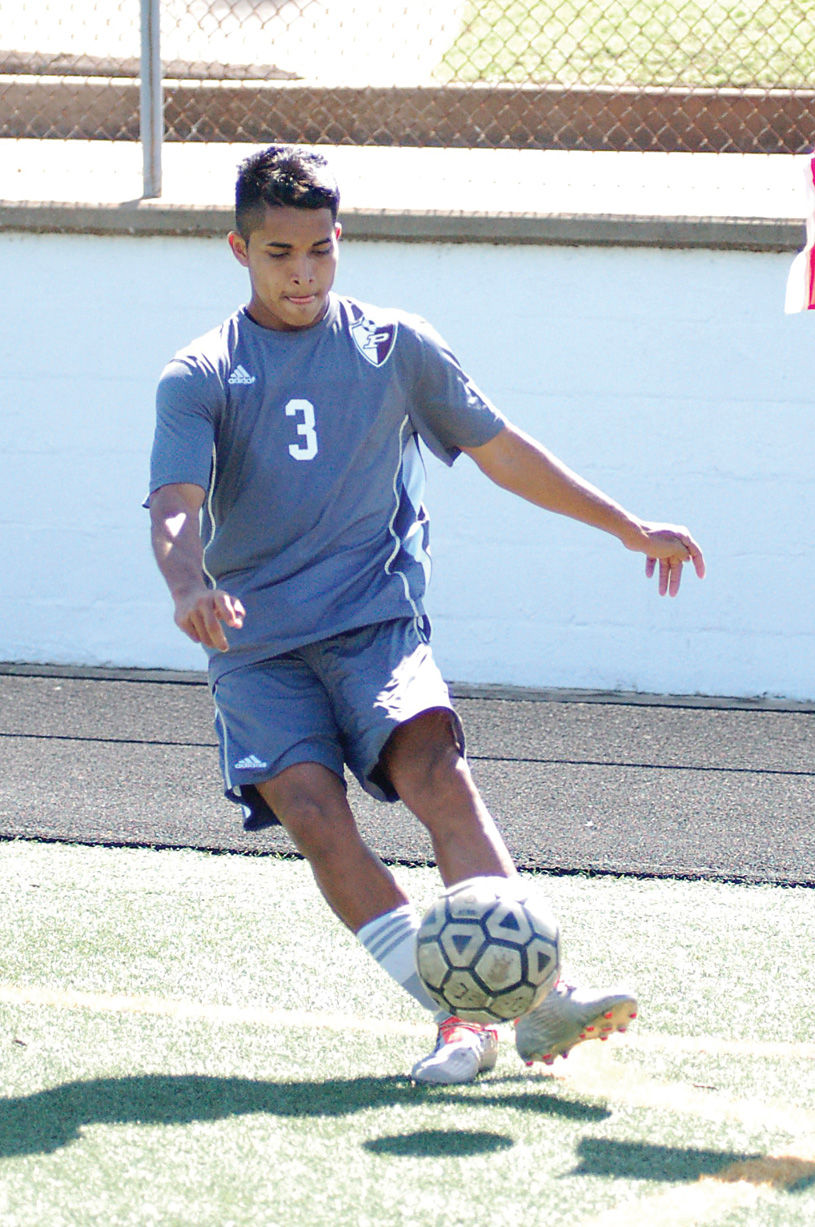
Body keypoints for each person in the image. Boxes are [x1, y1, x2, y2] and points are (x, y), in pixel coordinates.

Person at [148, 145, 705, 1085]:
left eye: (320, 250)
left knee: (434, 771)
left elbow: (503, 450)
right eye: (279, 252)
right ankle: (462, 1017)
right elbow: (173, 505)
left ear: (341, 241)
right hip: (257, 646)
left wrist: (625, 526)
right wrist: (186, 586)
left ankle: (541, 995)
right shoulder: (200, 372)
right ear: (237, 247)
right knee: (317, 816)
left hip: (374, 623)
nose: (302, 272)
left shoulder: (394, 345)